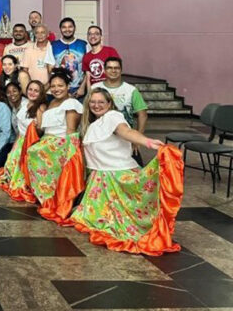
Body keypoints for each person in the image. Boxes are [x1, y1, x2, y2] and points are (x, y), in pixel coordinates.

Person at [70, 89, 183, 255]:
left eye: (101, 102)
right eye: (93, 102)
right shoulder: (94, 124)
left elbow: (126, 131)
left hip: (117, 174)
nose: (96, 105)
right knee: (91, 219)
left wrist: (147, 142)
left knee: (125, 220)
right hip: (101, 178)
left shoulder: (113, 117)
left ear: (109, 104)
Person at [25, 69, 85, 223]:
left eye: (60, 85)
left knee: (37, 152)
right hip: (47, 139)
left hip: (60, 143)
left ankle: (55, 197)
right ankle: (47, 195)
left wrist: (71, 154)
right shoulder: (51, 102)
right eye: (53, 86)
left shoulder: (71, 103)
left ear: (68, 86)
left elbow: (71, 131)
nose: (56, 89)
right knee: (30, 151)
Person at [0, 81, 46, 203]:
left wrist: (35, 129)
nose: (32, 92)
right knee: (9, 165)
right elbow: (19, 131)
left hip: (31, 142)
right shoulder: (24, 105)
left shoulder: (40, 107)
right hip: (20, 140)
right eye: (30, 89)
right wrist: (14, 148)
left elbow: (40, 131)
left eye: (36, 90)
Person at [91, 57, 149, 163]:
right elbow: (87, 113)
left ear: (121, 70)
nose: (113, 70)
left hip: (125, 139)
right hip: (101, 140)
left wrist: (137, 139)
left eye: (116, 68)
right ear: (104, 70)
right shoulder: (94, 88)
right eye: (109, 68)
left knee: (136, 169)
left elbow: (142, 115)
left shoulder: (131, 90)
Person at [51, 17, 88, 96]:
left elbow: (88, 69)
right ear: (60, 29)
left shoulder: (83, 45)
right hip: (60, 90)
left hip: (79, 89)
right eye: (64, 27)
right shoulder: (53, 45)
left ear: (75, 28)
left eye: (70, 27)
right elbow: (50, 69)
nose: (67, 29)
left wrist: (82, 87)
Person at [80, 25, 121, 96]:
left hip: (110, 91)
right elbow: (88, 78)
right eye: (90, 34)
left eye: (96, 34)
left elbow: (117, 72)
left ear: (101, 37)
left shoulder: (110, 51)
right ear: (87, 37)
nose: (93, 36)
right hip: (95, 93)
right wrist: (89, 95)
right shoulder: (86, 57)